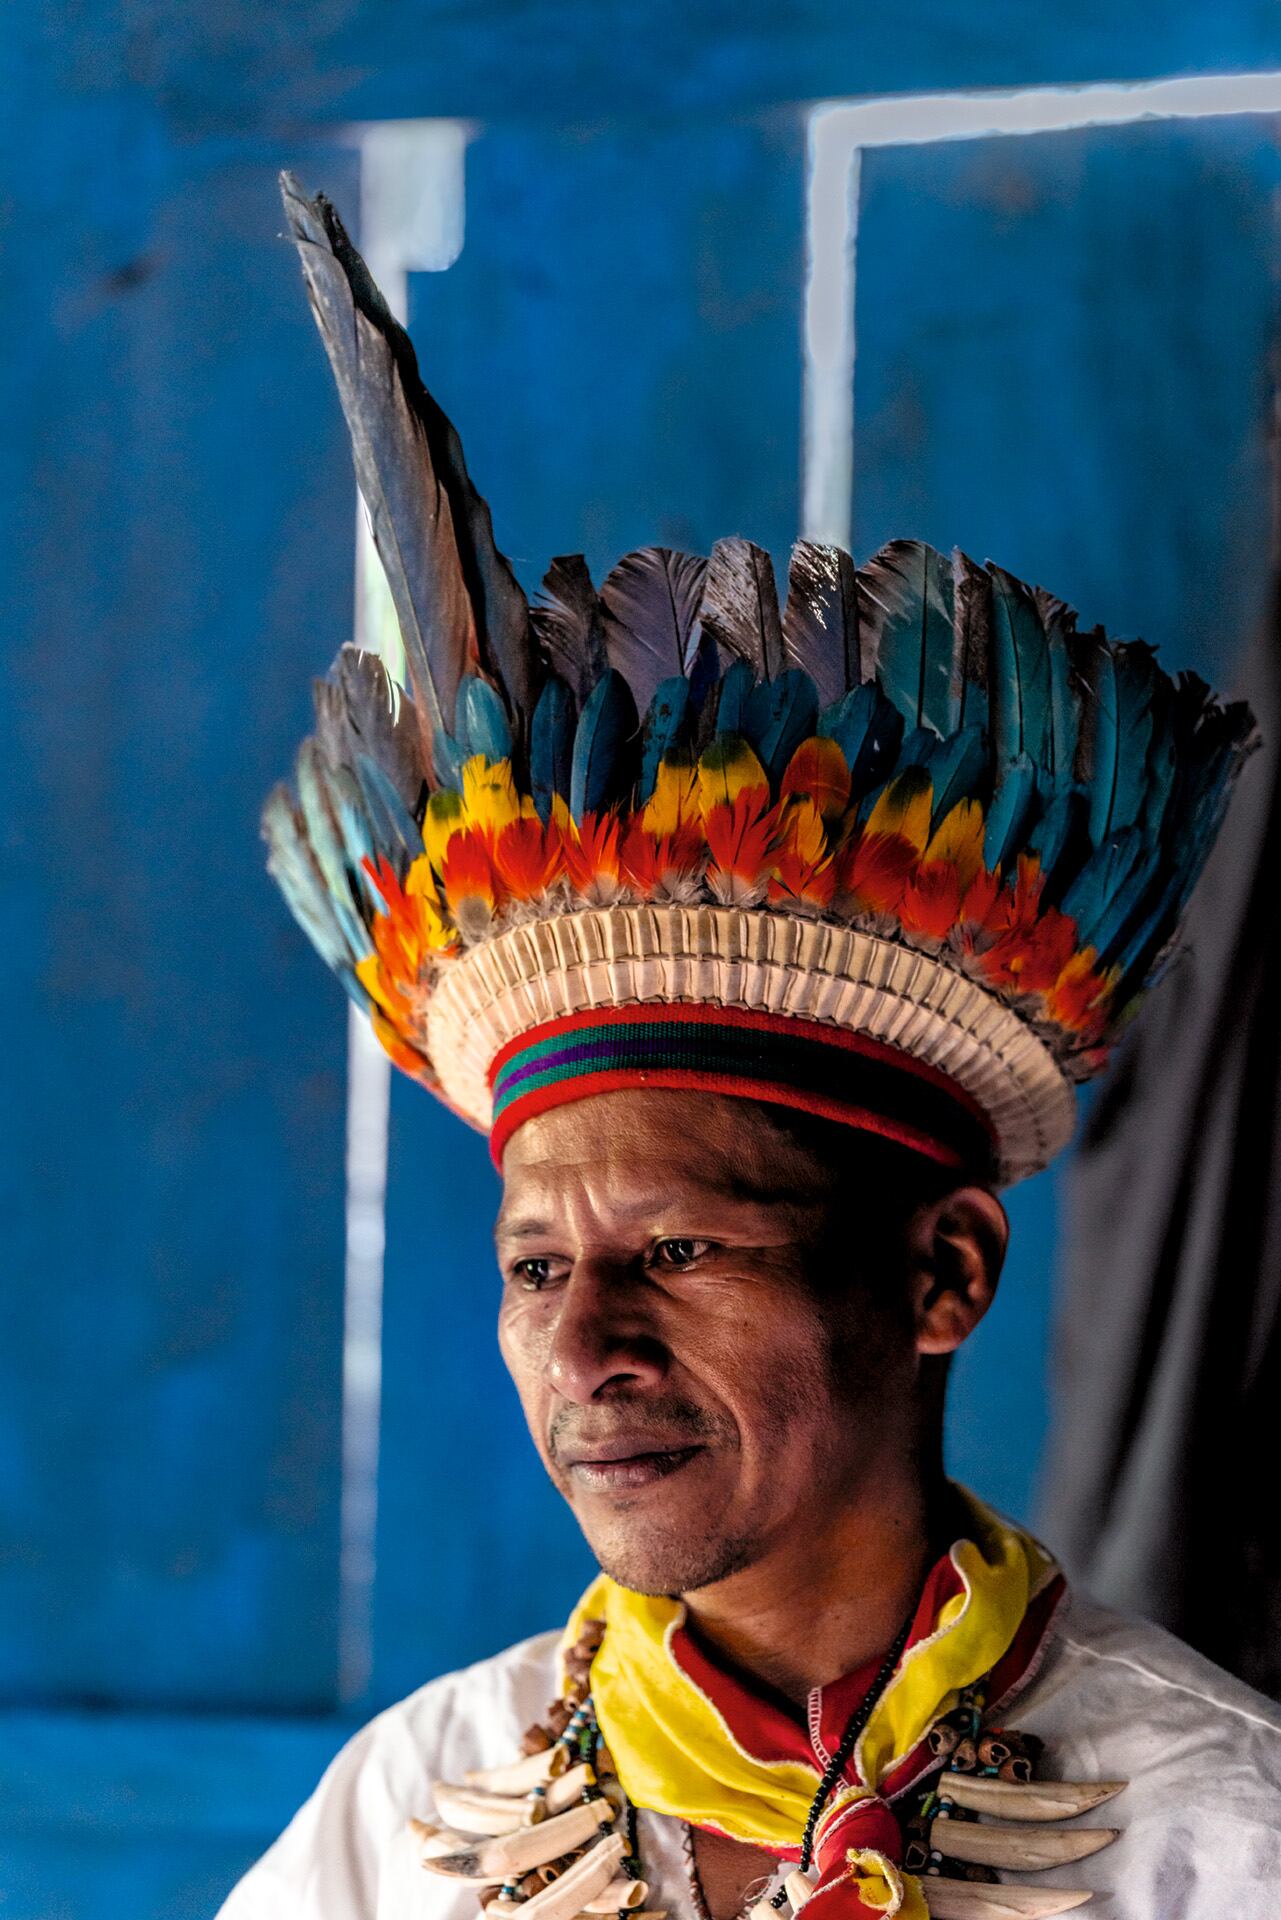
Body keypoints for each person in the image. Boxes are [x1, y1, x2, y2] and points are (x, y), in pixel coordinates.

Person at [221, 174, 1279, 1920]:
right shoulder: (405, 1817)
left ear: (941, 1273)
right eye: (534, 1263)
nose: (584, 1348)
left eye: (679, 1249)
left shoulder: (1215, 1838)